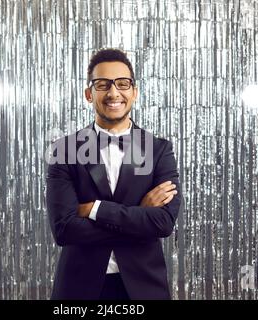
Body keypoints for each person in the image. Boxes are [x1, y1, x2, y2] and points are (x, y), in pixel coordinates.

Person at [45, 48, 181, 300]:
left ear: (134, 92)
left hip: (144, 288)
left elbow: (163, 223)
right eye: (102, 84)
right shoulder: (64, 150)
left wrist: (96, 209)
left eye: (122, 83)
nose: (113, 92)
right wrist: (139, 213)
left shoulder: (159, 149)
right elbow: (64, 229)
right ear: (89, 94)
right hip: (79, 289)